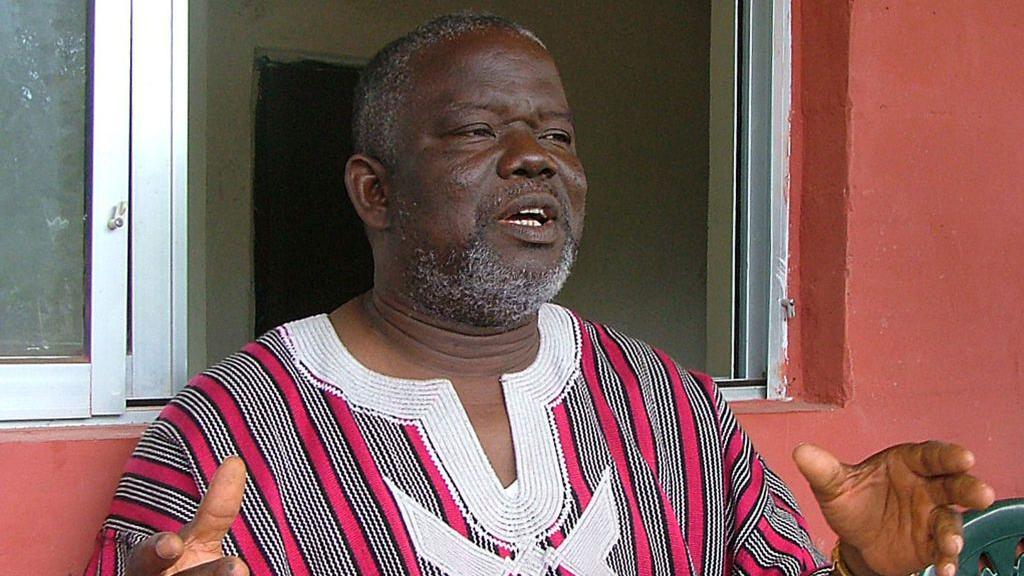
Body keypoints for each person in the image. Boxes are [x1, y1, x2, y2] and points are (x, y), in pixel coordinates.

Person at [85, 13, 994, 576]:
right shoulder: (229, 432)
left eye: (557, 133)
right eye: (479, 130)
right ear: (376, 191)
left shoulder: (670, 408)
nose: (537, 157)